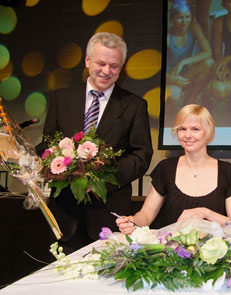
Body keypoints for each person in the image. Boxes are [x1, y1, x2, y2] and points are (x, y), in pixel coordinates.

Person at [36, 32, 153, 254]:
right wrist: (48, 165)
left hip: (108, 213)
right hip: (65, 214)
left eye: (114, 66)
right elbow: (47, 145)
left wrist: (100, 179)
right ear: (88, 60)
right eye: (101, 63)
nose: (107, 71)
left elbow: (141, 156)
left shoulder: (134, 105)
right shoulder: (60, 98)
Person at [116, 104, 231, 234]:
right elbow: (146, 215)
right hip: (170, 252)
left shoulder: (229, 172)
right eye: (182, 129)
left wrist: (206, 213)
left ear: (208, 132)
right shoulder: (165, 168)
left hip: (214, 253)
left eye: (195, 129)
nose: (188, 135)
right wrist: (133, 221)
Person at [166, 0, 213, 119]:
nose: (184, 21)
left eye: (187, 17)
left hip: (185, 73)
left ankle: (189, 102)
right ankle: (171, 121)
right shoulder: (168, 37)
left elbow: (207, 52)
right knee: (175, 95)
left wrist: (183, 62)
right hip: (171, 76)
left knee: (209, 63)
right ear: (172, 20)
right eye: (180, 18)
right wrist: (171, 79)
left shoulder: (193, 27)